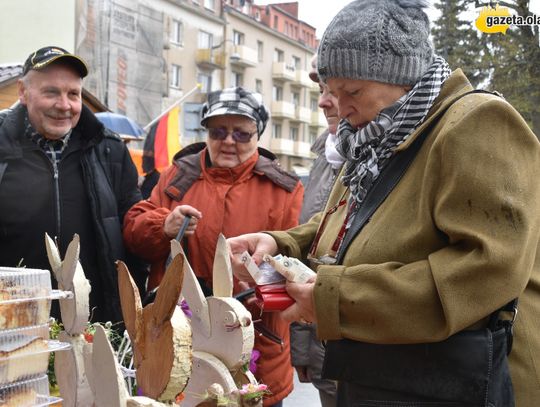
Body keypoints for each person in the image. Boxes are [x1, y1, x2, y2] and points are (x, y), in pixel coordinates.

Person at [227, 1, 540, 406]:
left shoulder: (477, 124)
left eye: (352, 91)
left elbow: (486, 269)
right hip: (395, 379)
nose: (339, 107)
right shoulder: (373, 139)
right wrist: (281, 245)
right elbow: (354, 222)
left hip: (466, 385)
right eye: (331, 92)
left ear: (402, 77)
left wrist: (334, 298)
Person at [123, 86, 304, 406]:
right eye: (218, 130)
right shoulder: (178, 175)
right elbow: (134, 236)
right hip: (177, 342)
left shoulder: (284, 189)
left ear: (258, 135)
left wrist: (257, 274)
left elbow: (301, 264)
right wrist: (164, 226)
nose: (229, 141)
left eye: (242, 133)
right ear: (205, 131)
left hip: (254, 347)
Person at [0, 46, 142, 323]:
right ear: (23, 92)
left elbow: (134, 228)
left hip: (93, 320)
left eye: (73, 94)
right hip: (11, 320)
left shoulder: (109, 149)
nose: (64, 105)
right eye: (51, 92)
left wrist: (162, 226)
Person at [289, 55, 342, 407]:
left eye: (336, 87)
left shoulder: (376, 154)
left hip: (365, 357)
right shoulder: (327, 156)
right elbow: (313, 260)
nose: (324, 100)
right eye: (321, 88)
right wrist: (304, 350)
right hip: (324, 348)